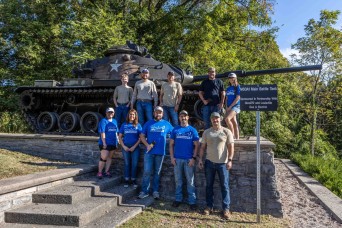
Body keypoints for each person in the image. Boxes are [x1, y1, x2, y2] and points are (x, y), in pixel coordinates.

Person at [198, 112, 234, 219]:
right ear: (211, 120)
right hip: (209, 163)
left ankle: (226, 209)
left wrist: (230, 160)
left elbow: (231, 147)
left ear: (220, 119)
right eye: (213, 118)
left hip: (223, 163)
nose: (215, 120)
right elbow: (202, 147)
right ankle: (209, 207)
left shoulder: (226, 131)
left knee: (225, 186)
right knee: (209, 186)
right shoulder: (207, 132)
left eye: (217, 118)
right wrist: (200, 159)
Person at [138, 106, 173, 199]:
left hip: (160, 153)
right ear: (154, 113)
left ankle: (155, 191)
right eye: (156, 112)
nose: (158, 114)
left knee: (157, 173)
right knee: (147, 172)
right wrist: (147, 145)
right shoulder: (148, 123)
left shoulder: (167, 124)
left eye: (160, 112)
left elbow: (175, 133)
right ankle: (144, 191)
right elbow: (141, 136)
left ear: (162, 114)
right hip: (149, 152)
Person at [169, 110, 199, 210]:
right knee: (178, 181)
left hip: (188, 160)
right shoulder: (175, 130)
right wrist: (172, 157)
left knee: (190, 181)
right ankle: (178, 199)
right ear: (179, 118)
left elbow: (196, 145)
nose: (183, 118)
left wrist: (193, 158)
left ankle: (192, 202)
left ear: (188, 117)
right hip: (177, 160)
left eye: (185, 116)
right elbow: (171, 145)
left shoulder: (192, 130)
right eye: (181, 116)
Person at [118, 109, 142, 188]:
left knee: (134, 164)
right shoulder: (124, 125)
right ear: (128, 115)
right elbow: (120, 137)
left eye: (133, 115)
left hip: (135, 147)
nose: (132, 116)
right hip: (126, 147)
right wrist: (123, 146)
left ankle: (133, 180)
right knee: (127, 164)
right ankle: (127, 180)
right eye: (130, 114)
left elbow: (140, 138)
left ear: (135, 116)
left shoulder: (138, 125)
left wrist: (134, 146)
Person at [97, 107, 119, 179]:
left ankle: (107, 171)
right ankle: (100, 172)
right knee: (104, 158)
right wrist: (104, 142)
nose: (110, 114)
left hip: (113, 142)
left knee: (110, 157)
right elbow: (102, 132)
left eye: (111, 112)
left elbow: (116, 132)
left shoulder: (115, 121)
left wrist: (117, 140)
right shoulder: (103, 121)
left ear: (114, 113)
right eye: (109, 112)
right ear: (106, 113)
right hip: (105, 142)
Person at [224, 73, 241, 139]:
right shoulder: (228, 88)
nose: (231, 79)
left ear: (235, 78)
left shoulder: (238, 87)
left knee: (227, 119)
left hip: (236, 106)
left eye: (232, 77)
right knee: (234, 122)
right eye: (230, 78)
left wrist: (231, 106)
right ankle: (237, 138)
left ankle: (232, 136)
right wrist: (226, 107)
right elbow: (227, 98)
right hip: (228, 107)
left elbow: (238, 98)